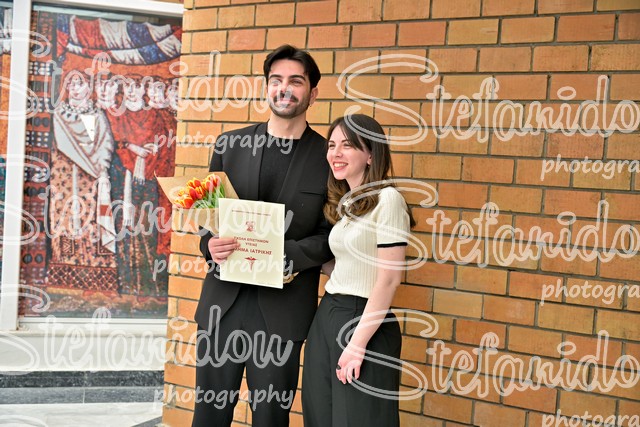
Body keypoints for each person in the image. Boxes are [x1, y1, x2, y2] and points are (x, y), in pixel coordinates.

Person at [193, 45, 333, 427]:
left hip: (282, 313)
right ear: (266, 87)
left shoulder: (328, 156)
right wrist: (209, 245)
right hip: (222, 306)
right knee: (208, 416)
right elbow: (207, 218)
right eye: (276, 80)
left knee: (271, 418)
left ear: (312, 93)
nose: (284, 88)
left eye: (295, 81)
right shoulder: (229, 145)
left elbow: (331, 235)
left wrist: (285, 255)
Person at [302, 114, 415, 427]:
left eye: (347, 145)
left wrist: (357, 343)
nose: (336, 153)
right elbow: (344, 267)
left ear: (371, 155)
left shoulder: (388, 200)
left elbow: (389, 279)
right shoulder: (348, 205)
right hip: (328, 315)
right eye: (332, 145)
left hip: (363, 322)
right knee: (320, 417)